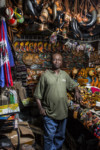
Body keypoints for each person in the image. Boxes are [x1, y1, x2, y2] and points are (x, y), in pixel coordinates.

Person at [34, 53, 82, 150]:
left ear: (62, 62)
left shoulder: (64, 75)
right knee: (49, 138)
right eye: (55, 59)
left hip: (63, 113)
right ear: (51, 61)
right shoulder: (45, 76)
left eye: (59, 60)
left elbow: (74, 84)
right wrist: (40, 108)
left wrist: (76, 91)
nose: (57, 61)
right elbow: (37, 95)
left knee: (60, 137)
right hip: (49, 114)